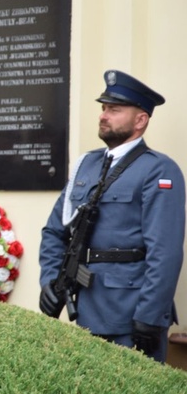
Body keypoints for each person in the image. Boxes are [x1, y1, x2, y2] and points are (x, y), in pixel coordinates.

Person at [39, 69, 185, 362]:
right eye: (104, 108)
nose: (104, 115)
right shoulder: (86, 166)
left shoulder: (159, 170)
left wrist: (149, 316)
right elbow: (55, 231)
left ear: (140, 120)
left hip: (131, 316)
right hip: (87, 311)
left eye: (115, 110)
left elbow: (165, 253)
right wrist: (50, 280)